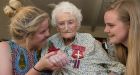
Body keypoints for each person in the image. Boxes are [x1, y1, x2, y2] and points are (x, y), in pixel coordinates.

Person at [42, 1, 125, 75]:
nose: (66, 28)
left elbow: (115, 65)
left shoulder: (88, 39)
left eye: (70, 22)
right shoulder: (51, 42)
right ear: (57, 27)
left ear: (77, 24)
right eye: (61, 23)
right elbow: (43, 67)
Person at [0, 0, 69, 75]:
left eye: (48, 29)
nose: (48, 34)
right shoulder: (5, 48)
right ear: (26, 34)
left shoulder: (48, 46)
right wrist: (39, 67)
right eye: (42, 31)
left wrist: (61, 61)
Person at [104, 0, 140, 75]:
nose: (105, 30)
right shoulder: (117, 51)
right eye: (105, 25)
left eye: (111, 25)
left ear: (130, 25)